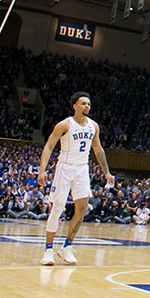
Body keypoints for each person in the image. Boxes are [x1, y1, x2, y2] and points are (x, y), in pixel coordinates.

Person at [38, 92, 114, 266]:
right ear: (75, 106)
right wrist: (42, 170)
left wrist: (107, 172)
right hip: (64, 168)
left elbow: (98, 149)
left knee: (82, 210)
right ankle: (48, 250)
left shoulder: (93, 126)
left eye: (88, 103)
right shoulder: (65, 124)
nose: (87, 106)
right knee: (57, 209)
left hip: (82, 169)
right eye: (83, 103)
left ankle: (67, 246)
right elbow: (49, 146)